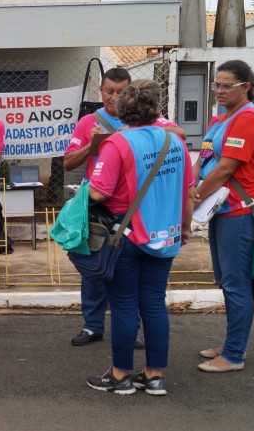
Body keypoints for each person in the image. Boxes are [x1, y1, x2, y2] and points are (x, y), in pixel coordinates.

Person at [85, 79, 194, 396]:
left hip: (126, 236)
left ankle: (120, 376)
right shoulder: (175, 143)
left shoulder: (117, 144)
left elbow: (97, 192)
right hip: (166, 236)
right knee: (154, 305)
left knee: (123, 307)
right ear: (156, 110)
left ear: (122, 112)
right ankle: (155, 375)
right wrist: (185, 229)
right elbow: (189, 194)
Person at [63, 68, 185, 348]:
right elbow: (69, 163)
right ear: (101, 92)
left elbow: (177, 132)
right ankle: (92, 326)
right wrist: (94, 146)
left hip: (137, 208)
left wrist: (127, 134)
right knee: (94, 267)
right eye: (109, 91)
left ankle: (136, 330)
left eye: (120, 92)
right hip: (99, 206)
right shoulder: (87, 122)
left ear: (131, 94)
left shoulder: (148, 119)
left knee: (135, 278)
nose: (113, 97)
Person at [193, 60, 254, 373]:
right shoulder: (220, 119)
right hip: (220, 210)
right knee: (228, 282)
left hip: (239, 210)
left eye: (228, 86)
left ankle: (234, 355)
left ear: (246, 87)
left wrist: (195, 196)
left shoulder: (249, 119)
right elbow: (205, 157)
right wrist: (193, 185)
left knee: (236, 284)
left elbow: (226, 168)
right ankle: (230, 344)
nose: (220, 91)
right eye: (217, 84)